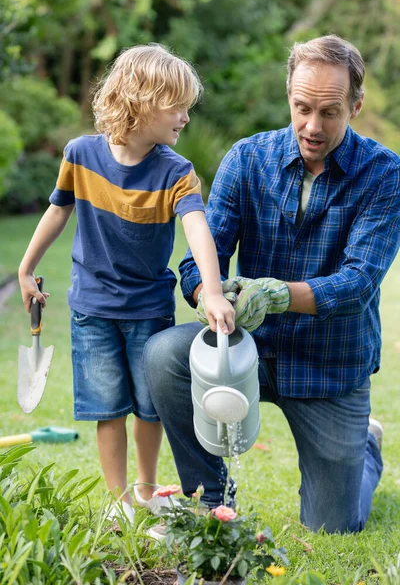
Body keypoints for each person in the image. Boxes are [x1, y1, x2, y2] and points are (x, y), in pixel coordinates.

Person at [143, 34, 400, 533]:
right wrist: (211, 295)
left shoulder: (385, 174)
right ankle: (209, 501)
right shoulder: (247, 160)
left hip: (331, 363)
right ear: (288, 94)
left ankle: (365, 447)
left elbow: (359, 283)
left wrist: (276, 293)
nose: (312, 125)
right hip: (245, 351)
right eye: (302, 107)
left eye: (330, 112)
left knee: (334, 525)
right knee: (165, 355)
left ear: (356, 104)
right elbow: (200, 262)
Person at [18, 43, 235, 525]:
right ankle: (117, 502)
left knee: (149, 407)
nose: (185, 117)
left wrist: (214, 291)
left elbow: (197, 227)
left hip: (148, 308)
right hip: (91, 307)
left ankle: (144, 488)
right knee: (106, 406)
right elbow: (58, 210)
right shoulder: (81, 154)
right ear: (141, 101)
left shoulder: (176, 172)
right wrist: (25, 267)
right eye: (176, 106)